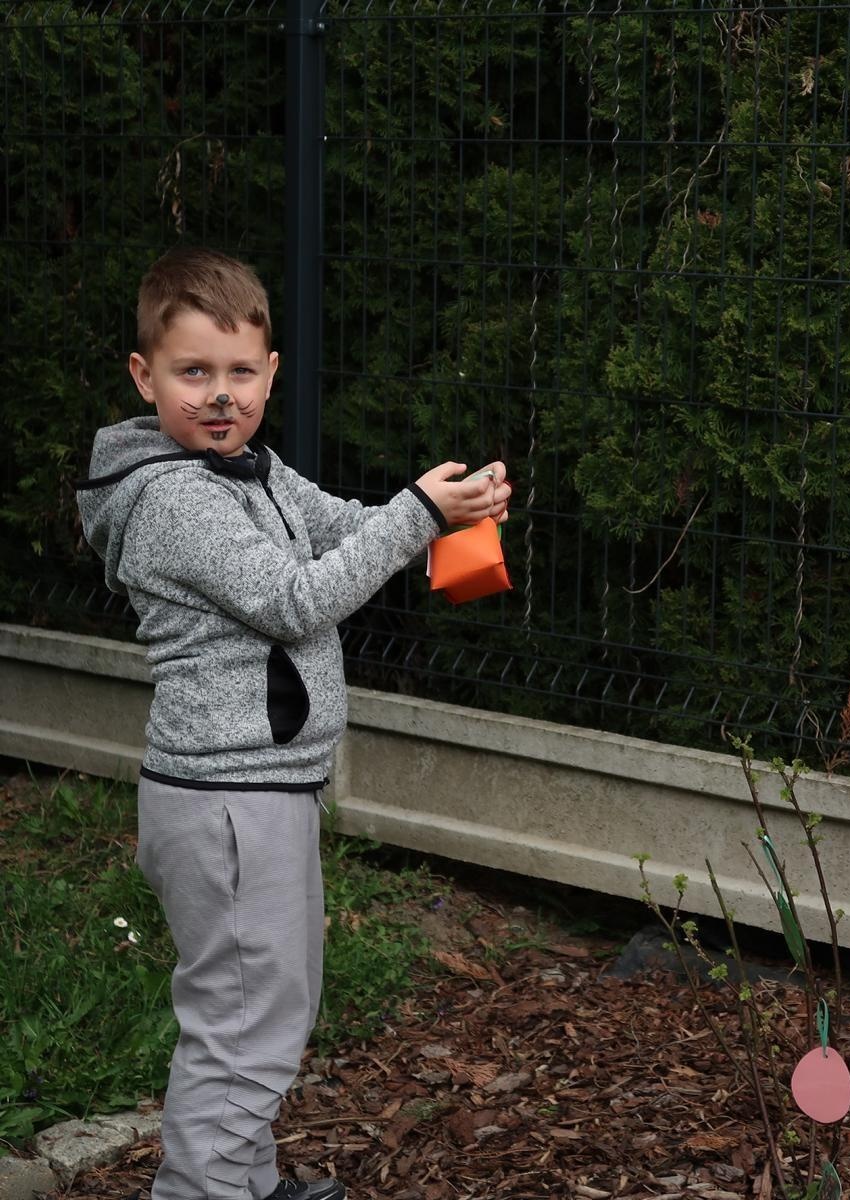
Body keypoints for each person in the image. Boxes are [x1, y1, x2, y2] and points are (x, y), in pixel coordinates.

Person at [76, 246, 512, 1200]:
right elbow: (292, 601)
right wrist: (414, 517)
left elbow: (350, 527)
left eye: (240, 372)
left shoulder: (250, 472)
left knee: (264, 1004)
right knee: (243, 1024)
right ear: (144, 377)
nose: (220, 395)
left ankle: (245, 1180)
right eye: (193, 373)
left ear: (271, 373)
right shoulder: (176, 498)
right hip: (228, 800)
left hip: (258, 792)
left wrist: (443, 516)